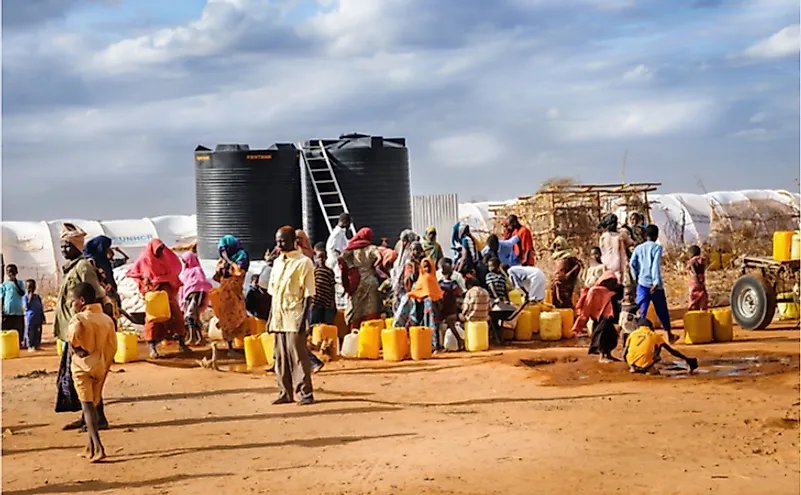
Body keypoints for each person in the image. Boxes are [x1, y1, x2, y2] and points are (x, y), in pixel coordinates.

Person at [54, 223, 108, 431]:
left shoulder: (83, 267)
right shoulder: (72, 268)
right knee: (82, 377)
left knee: (88, 375)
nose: (63, 250)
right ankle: (91, 417)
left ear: (77, 247)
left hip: (83, 333)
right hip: (73, 332)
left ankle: (96, 419)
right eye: (61, 246)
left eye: (67, 246)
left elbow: (96, 295)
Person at [67, 282, 116, 463]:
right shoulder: (106, 319)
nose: (72, 304)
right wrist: (105, 364)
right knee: (94, 404)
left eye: (73, 301)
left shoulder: (79, 319)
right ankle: (89, 447)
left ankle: (98, 446)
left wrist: (78, 351)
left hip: (82, 367)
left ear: (81, 301)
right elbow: (113, 346)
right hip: (101, 366)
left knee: (87, 407)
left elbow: (72, 338)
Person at [267, 227, 316, 405]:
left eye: (282, 241)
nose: (279, 244)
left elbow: (308, 295)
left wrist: (303, 321)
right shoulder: (278, 262)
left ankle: (305, 393)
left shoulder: (304, 263)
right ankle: (284, 392)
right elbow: (274, 293)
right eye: (277, 241)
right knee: (280, 357)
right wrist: (271, 318)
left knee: (298, 356)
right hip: (279, 317)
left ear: (293, 241)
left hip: (295, 316)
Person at [127, 238, 190, 358]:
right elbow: (137, 273)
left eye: (162, 249)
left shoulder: (166, 258)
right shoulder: (145, 259)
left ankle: (182, 343)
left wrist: (163, 281)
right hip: (153, 294)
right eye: (158, 249)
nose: (160, 251)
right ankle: (152, 348)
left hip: (167, 294)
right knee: (153, 320)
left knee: (176, 316)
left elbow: (173, 272)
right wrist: (147, 282)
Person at [629, 225, 676, 343]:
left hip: (642, 283)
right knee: (661, 310)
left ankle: (638, 336)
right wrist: (655, 281)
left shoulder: (638, 248)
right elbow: (655, 265)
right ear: (656, 236)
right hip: (655, 285)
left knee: (641, 310)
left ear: (646, 235)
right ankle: (669, 334)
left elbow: (632, 264)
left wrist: (636, 276)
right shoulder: (657, 248)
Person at [339, 228, 383, 329]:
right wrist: (373, 266)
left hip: (357, 282)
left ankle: (355, 332)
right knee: (371, 308)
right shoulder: (372, 248)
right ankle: (371, 332)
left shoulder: (352, 248)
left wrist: (351, 268)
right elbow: (379, 257)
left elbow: (341, 258)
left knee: (357, 308)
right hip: (371, 281)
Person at [213, 235, 251, 353]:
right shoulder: (223, 260)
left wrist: (230, 262)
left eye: (225, 250)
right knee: (226, 319)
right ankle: (230, 346)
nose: (223, 253)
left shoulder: (242, 256)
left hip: (236, 294)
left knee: (239, 317)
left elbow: (239, 272)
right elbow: (217, 277)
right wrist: (222, 266)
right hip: (225, 295)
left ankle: (243, 345)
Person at [572, 272, 620, 362]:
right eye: (611, 282)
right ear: (604, 281)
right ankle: (602, 356)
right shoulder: (594, 291)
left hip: (608, 318)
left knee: (611, 336)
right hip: (599, 318)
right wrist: (580, 324)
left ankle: (608, 355)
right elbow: (587, 306)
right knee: (602, 336)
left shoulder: (612, 292)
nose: (613, 284)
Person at [623, 318, 698, 375]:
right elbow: (672, 351)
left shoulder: (632, 334)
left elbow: (624, 354)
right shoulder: (654, 335)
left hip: (631, 363)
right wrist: (687, 359)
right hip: (646, 364)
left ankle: (634, 368)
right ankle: (649, 368)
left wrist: (630, 363)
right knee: (658, 346)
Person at [407, 257, 445, 349]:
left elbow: (434, 292)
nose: (426, 269)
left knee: (431, 325)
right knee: (429, 325)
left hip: (432, 306)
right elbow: (422, 292)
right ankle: (431, 344)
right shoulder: (425, 278)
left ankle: (433, 345)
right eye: (424, 267)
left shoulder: (431, 278)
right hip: (427, 306)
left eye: (428, 267)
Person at [84, 235, 120, 328]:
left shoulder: (103, 259)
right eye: (106, 247)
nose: (108, 249)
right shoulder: (91, 261)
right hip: (100, 295)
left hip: (109, 292)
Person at [179, 251, 212, 345]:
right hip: (188, 296)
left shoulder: (197, 270)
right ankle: (200, 338)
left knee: (190, 315)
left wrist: (198, 291)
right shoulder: (185, 272)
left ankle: (192, 337)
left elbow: (201, 282)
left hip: (196, 294)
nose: (184, 263)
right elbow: (183, 285)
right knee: (194, 316)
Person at [598, 214, 634, 284]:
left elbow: (602, 250)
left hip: (605, 264)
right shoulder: (621, 235)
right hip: (618, 264)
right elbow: (632, 243)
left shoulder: (603, 237)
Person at [439, 258, 465, 350]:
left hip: (449, 308)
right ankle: (446, 344)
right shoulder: (441, 283)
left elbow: (459, 292)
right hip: (444, 308)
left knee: (449, 322)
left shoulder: (450, 283)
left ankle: (458, 340)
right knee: (445, 324)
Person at [551, 236, 581, 309]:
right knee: (556, 301)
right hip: (556, 282)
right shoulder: (556, 256)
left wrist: (568, 275)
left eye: (559, 245)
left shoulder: (569, 256)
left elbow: (578, 266)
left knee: (565, 301)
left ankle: (571, 317)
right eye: (556, 245)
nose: (557, 247)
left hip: (565, 284)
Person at [391, 229, 418, 310]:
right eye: (402, 241)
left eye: (405, 240)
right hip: (399, 285)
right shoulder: (400, 252)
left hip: (409, 286)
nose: (404, 243)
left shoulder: (414, 253)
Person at [311, 243, 337, 326]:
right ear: (316, 259)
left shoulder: (329, 271)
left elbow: (332, 287)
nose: (321, 259)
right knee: (315, 324)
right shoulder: (314, 271)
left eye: (323, 257)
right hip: (316, 302)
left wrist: (333, 302)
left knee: (326, 324)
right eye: (319, 257)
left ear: (326, 258)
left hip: (327, 303)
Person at [1, 264, 26, 343]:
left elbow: (22, 293)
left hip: (18, 311)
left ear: (16, 272)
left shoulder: (20, 283)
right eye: (9, 271)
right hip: (8, 311)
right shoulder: (4, 284)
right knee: (7, 329)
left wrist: (15, 283)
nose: (11, 273)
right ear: (7, 273)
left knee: (18, 328)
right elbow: (2, 297)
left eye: (13, 271)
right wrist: (2, 309)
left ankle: (18, 342)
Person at [23, 279, 45, 351]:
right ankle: (30, 345)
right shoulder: (25, 297)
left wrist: (43, 316)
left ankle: (37, 345)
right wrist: (30, 297)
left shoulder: (37, 297)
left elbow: (40, 307)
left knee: (38, 332)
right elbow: (27, 306)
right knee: (30, 332)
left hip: (38, 318)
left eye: (32, 287)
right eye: (29, 287)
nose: (31, 289)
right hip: (30, 319)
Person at [687, 245, 708, 311]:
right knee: (702, 295)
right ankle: (702, 310)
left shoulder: (691, 262)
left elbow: (693, 273)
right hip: (702, 281)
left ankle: (693, 311)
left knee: (694, 296)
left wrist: (696, 281)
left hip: (694, 283)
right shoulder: (702, 261)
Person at [619, 285, 640, 349]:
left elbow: (638, 317)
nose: (628, 297)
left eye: (631, 295)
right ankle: (625, 351)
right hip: (623, 329)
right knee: (624, 341)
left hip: (632, 329)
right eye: (626, 295)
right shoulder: (621, 305)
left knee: (632, 342)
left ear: (635, 295)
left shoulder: (636, 307)